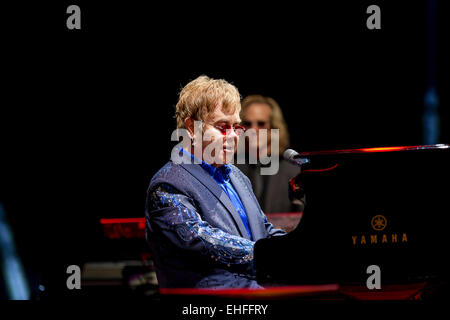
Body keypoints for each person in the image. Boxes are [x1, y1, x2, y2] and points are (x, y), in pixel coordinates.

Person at [145, 76, 287, 289]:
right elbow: (202, 241)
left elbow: (263, 231)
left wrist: (298, 250)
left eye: (235, 127)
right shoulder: (168, 184)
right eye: (222, 127)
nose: (232, 136)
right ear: (191, 128)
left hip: (258, 297)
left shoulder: (238, 178)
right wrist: (271, 255)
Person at [236, 95, 305, 214]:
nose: (253, 129)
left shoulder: (292, 171)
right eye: (247, 124)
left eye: (261, 123)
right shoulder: (230, 168)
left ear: (274, 126)